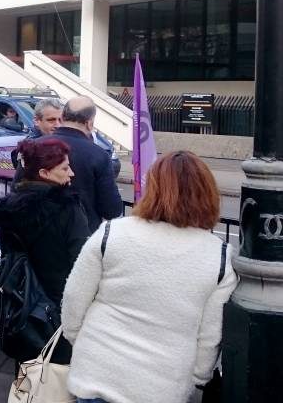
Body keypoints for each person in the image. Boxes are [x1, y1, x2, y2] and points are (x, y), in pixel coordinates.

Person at [61, 151, 238, 403]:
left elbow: (74, 298)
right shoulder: (219, 257)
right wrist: (197, 376)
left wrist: (83, 342)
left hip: (98, 369)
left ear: (153, 188)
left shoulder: (112, 232)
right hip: (162, 384)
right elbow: (210, 335)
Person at [0, 138, 88, 364]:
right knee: (59, 371)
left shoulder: (11, 208)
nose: (71, 173)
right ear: (44, 172)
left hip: (21, 302)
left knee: (28, 366)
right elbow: (82, 261)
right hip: (59, 304)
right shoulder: (67, 208)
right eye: (64, 168)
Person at [51, 97, 124, 235]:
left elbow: (18, 189)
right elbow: (112, 210)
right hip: (82, 237)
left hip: (37, 237)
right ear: (89, 124)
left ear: (61, 118)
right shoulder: (99, 155)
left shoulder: (35, 146)